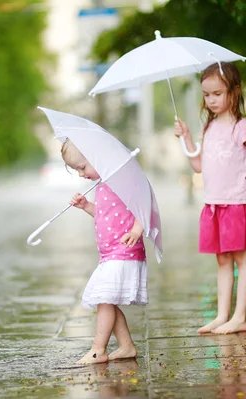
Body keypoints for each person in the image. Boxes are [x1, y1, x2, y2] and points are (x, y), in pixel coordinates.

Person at [174, 62, 246, 335]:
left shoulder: (241, 127)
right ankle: (223, 315)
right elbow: (199, 166)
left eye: (217, 93)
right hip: (214, 204)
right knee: (222, 261)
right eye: (206, 94)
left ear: (233, 92)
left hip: (236, 203)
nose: (211, 99)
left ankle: (240, 316)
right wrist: (187, 139)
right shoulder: (209, 128)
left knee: (241, 257)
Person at [61, 138, 147, 364]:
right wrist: (86, 206)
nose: (81, 174)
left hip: (124, 247)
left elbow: (143, 203)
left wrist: (137, 230)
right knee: (105, 299)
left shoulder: (121, 177)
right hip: (109, 252)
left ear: (96, 155)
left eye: (82, 167)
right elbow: (106, 214)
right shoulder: (103, 182)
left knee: (105, 298)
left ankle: (98, 349)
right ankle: (126, 346)